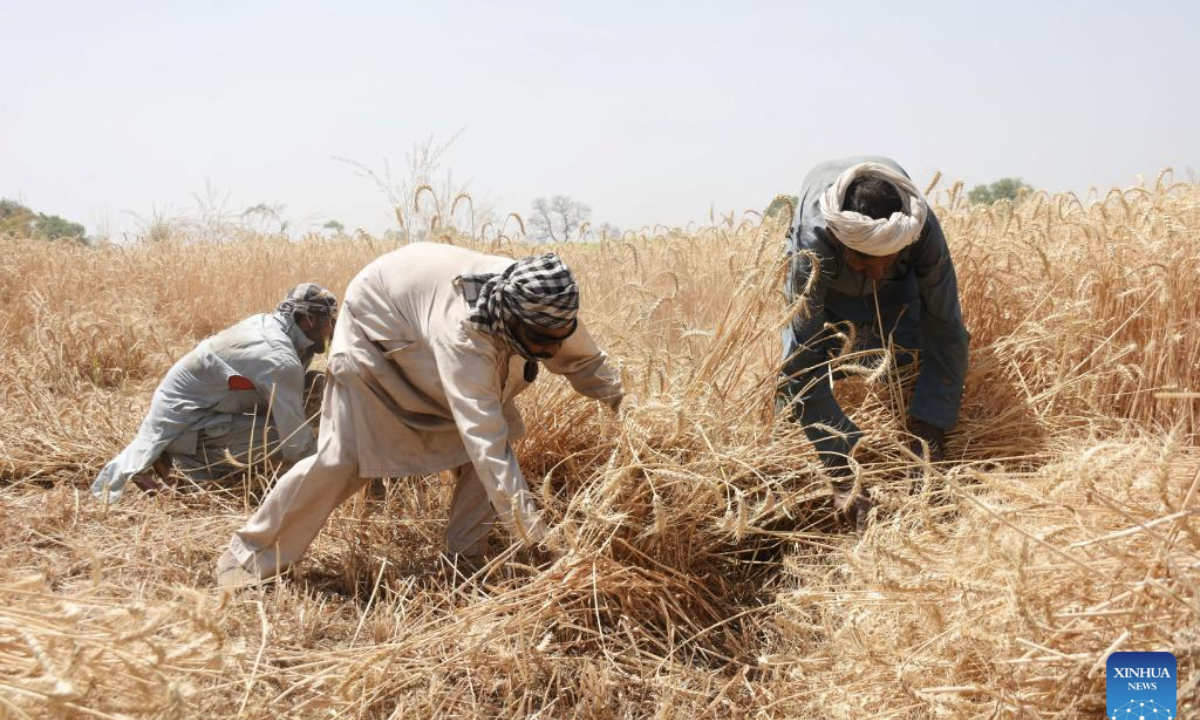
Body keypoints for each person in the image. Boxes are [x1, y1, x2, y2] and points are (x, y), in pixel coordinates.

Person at [216, 243, 624, 588]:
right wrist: (541, 542)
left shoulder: (545, 302)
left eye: (560, 339)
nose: (553, 352)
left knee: (492, 446)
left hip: (421, 323)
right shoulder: (465, 334)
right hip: (377, 336)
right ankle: (251, 559)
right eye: (541, 342)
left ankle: (464, 563)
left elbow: (587, 363)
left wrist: (629, 412)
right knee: (343, 459)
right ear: (507, 320)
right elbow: (485, 444)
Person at [778, 156, 970, 526]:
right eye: (866, 264)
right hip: (831, 279)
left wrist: (929, 434)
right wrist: (842, 470)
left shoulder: (918, 228)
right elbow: (803, 355)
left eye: (888, 261)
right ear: (837, 239)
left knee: (905, 351)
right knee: (807, 366)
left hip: (901, 279)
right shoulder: (814, 242)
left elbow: (946, 329)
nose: (878, 274)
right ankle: (785, 449)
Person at [92, 283, 338, 501]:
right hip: (187, 422)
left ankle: (183, 453)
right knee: (282, 439)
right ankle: (185, 465)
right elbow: (296, 445)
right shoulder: (279, 359)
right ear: (308, 320)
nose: (333, 328)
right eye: (330, 320)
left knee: (314, 386)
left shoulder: (270, 325)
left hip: (203, 407)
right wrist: (339, 467)